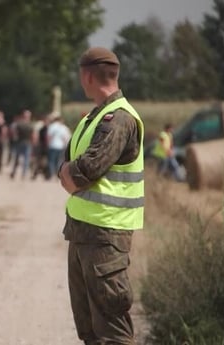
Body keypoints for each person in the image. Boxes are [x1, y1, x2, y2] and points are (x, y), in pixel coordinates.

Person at [58, 47, 144, 344]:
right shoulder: (92, 118)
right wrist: (69, 173)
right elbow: (67, 163)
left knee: (112, 333)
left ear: (87, 76)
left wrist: (70, 174)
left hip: (106, 236)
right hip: (84, 235)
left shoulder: (118, 119)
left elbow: (84, 170)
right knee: (90, 332)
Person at [10, 110, 35, 180]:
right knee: (26, 159)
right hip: (27, 143)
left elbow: (14, 133)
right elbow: (33, 136)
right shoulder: (31, 124)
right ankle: (23, 174)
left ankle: (13, 173)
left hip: (19, 142)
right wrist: (33, 143)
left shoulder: (18, 124)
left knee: (16, 159)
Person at [47, 113, 71, 179]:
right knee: (59, 161)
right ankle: (58, 174)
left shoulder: (51, 126)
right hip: (61, 146)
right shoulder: (63, 127)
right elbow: (65, 138)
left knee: (51, 161)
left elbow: (49, 136)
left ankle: (52, 174)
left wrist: (48, 144)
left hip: (52, 145)